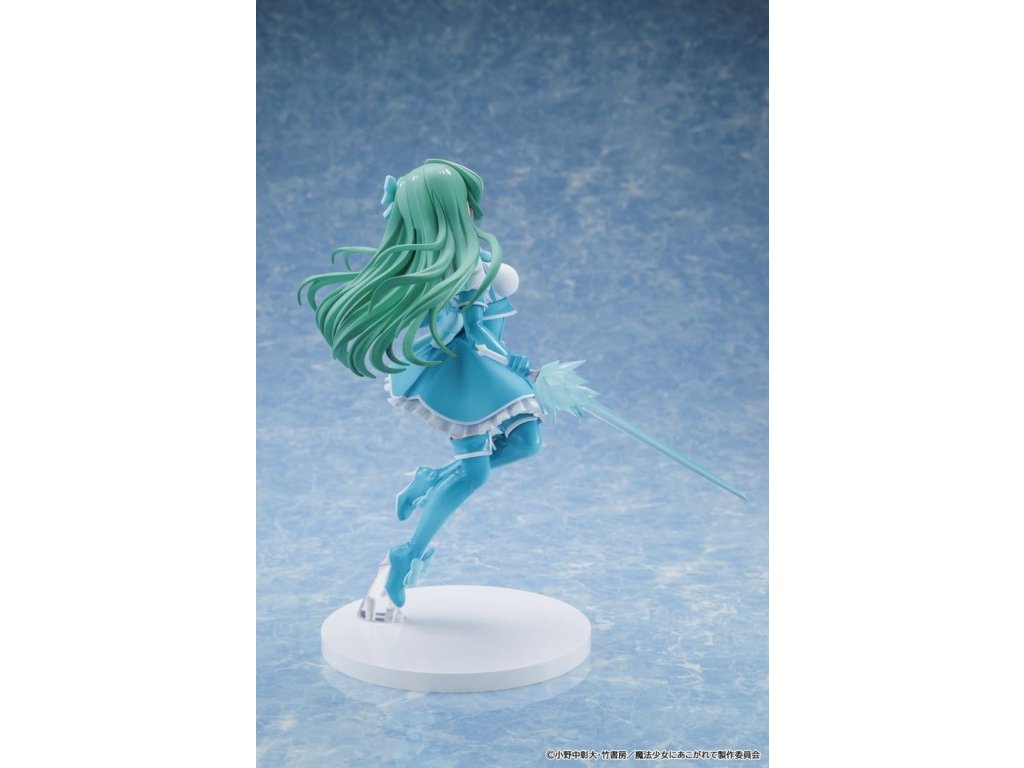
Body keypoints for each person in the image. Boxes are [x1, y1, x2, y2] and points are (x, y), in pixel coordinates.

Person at [299, 159, 542, 607]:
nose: (470, 211)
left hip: (487, 371)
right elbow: (475, 332)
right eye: (460, 204)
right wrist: (511, 362)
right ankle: (407, 554)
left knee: (527, 443)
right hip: (462, 377)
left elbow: (487, 327)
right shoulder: (455, 275)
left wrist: (508, 360)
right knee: (475, 474)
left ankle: (431, 477)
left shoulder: (474, 264)